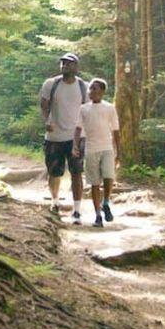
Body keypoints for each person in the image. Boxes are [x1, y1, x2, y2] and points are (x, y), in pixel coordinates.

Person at [39, 53, 88, 223]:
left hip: (76, 137)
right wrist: (47, 121)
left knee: (77, 172)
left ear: (76, 66)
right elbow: (44, 105)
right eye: (63, 63)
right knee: (54, 172)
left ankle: (77, 209)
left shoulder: (83, 86)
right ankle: (55, 202)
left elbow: (87, 110)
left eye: (69, 63)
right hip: (54, 136)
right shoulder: (51, 84)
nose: (65, 65)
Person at [74, 78, 120, 228]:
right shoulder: (84, 109)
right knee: (94, 183)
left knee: (108, 177)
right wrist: (75, 145)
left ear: (102, 91)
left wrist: (118, 151)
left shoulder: (109, 108)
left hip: (107, 147)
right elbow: (78, 128)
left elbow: (116, 130)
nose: (91, 91)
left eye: (94, 89)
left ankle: (106, 202)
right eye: (90, 89)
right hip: (91, 148)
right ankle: (98, 216)